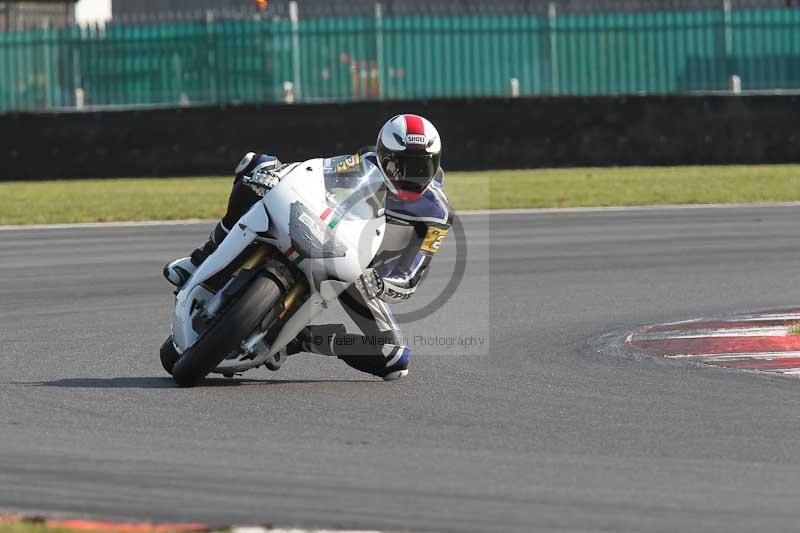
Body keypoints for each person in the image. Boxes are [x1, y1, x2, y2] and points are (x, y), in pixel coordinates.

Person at [164, 114, 452, 381]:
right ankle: (201, 259)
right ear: (382, 154)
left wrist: (383, 283)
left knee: (394, 358)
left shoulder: (435, 213)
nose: (408, 176)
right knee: (257, 165)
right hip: (329, 233)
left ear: (435, 163)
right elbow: (317, 174)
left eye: (420, 167)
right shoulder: (366, 163)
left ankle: (302, 339)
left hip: (363, 275)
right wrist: (278, 174)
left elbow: (412, 275)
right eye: (398, 165)